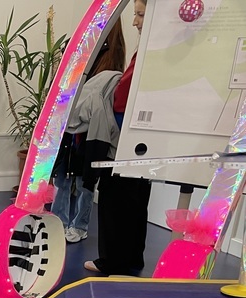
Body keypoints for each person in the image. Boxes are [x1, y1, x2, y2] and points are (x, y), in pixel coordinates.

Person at [85, 0, 151, 275]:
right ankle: (131, 259)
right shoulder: (152, 51)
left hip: (125, 140)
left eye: (140, 15)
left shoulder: (148, 53)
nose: (135, 21)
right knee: (136, 200)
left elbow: (122, 99)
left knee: (115, 200)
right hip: (143, 143)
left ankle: (111, 261)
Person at [52, 19, 126, 243]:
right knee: (63, 179)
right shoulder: (81, 56)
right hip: (71, 130)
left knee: (85, 181)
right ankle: (59, 222)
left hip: (90, 133)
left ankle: (79, 226)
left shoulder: (108, 66)